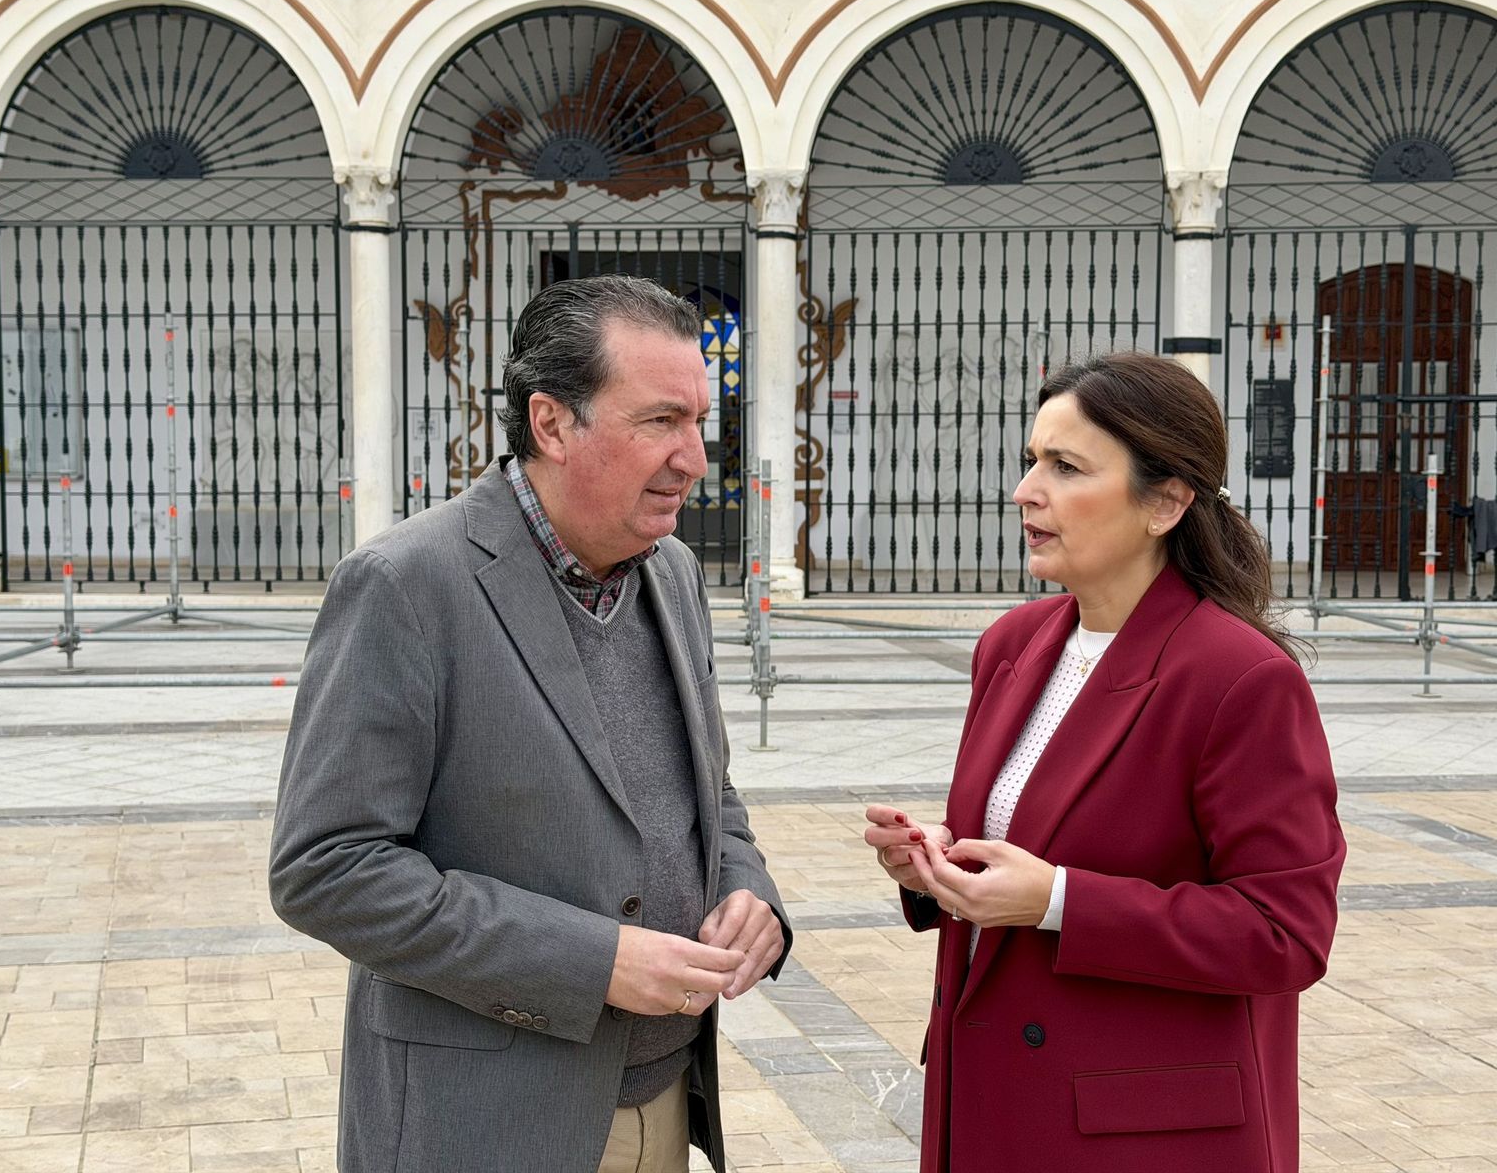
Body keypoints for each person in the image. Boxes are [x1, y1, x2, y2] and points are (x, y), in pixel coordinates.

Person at [270, 275, 790, 1173]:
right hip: (481, 1127)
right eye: (660, 422)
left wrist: (751, 894)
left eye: (700, 421)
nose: (696, 458)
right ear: (551, 424)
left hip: (665, 1106)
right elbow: (326, 870)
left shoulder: (671, 574)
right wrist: (592, 962)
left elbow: (709, 793)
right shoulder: (406, 586)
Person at [863, 352, 1345, 1172]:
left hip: (1136, 1132)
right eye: (1030, 461)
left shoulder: (1239, 678)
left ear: (1165, 501)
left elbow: (1285, 934)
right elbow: (1022, 841)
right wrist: (939, 867)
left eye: (1065, 467)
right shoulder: (1012, 646)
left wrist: (1056, 899)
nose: (1026, 491)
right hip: (991, 1099)